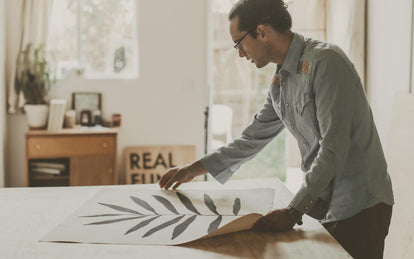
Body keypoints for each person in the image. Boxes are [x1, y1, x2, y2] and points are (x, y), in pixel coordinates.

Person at [159, 0, 394, 258]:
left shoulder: (326, 62)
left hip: (361, 204)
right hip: (327, 204)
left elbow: (333, 149)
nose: (239, 53)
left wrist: (293, 211)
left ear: (262, 31)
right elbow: (251, 140)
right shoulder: (280, 82)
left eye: (239, 43)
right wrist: (193, 169)